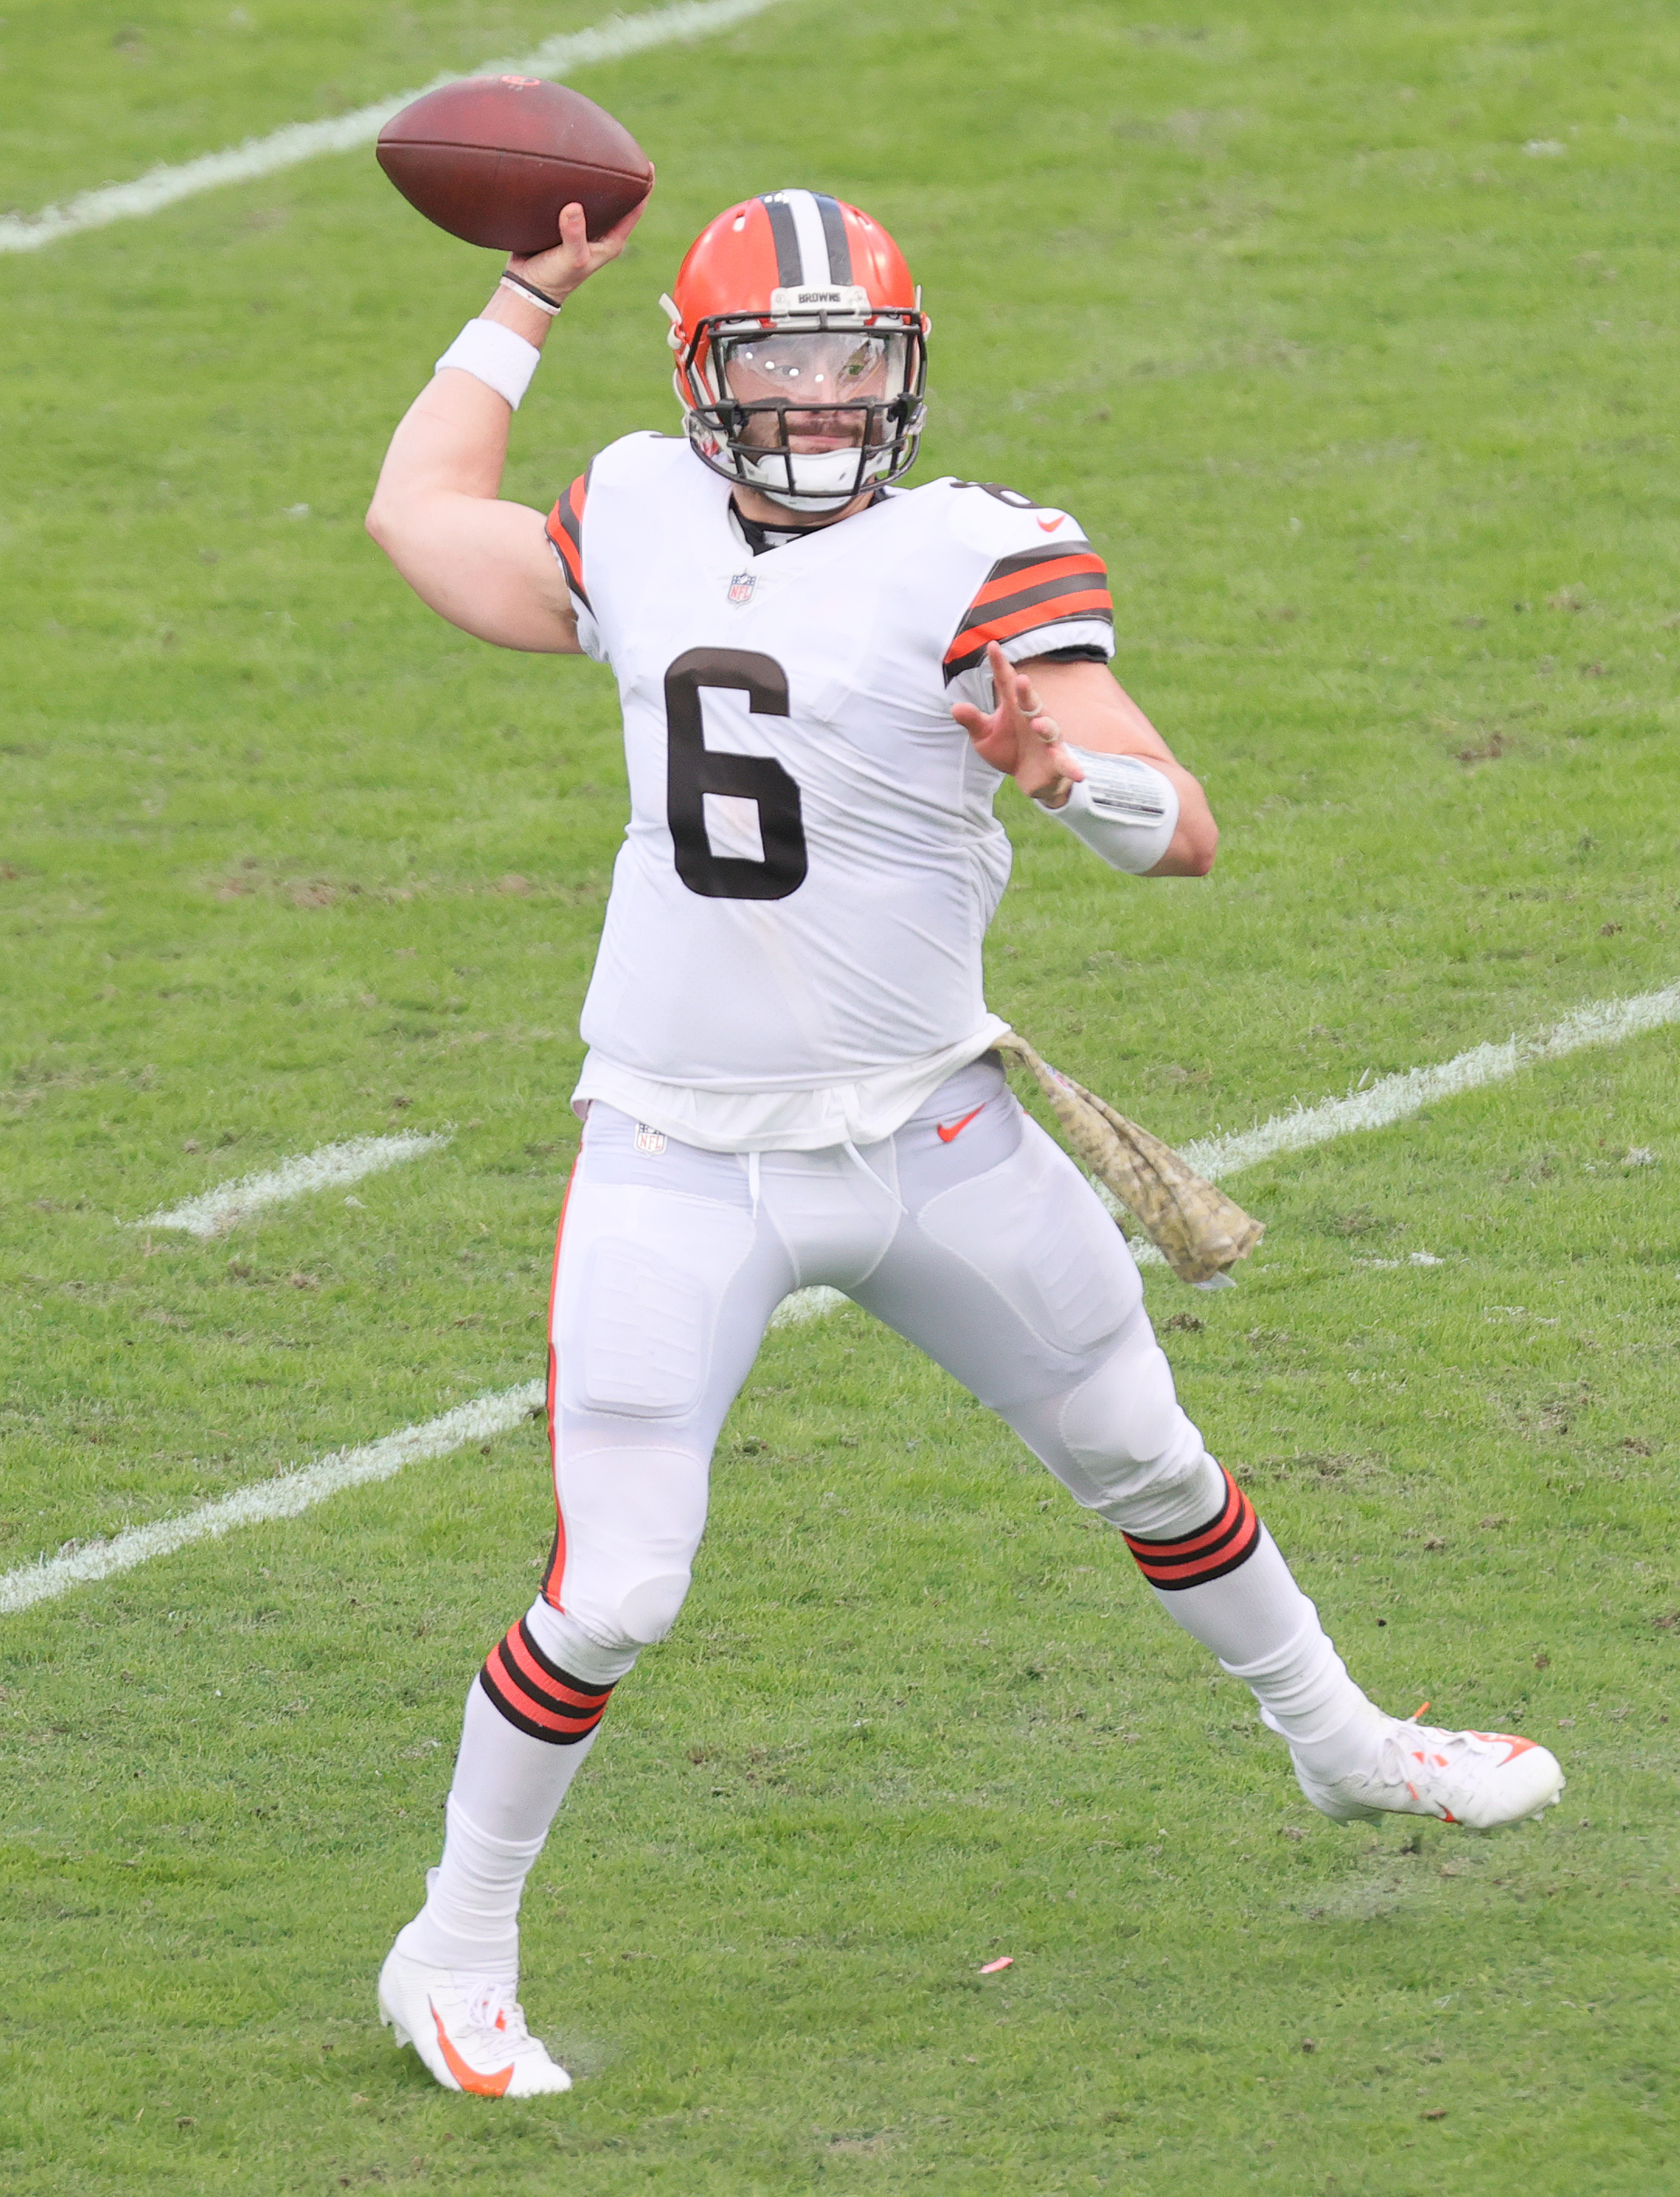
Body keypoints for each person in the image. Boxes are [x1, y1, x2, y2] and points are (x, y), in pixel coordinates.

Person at [364, 188, 1564, 2097]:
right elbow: (422, 518)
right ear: (703, 377)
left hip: (933, 1123)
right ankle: (452, 1944)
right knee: (615, 1589)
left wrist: (1054, 767)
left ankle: (1340, 1741)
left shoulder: (979, 556)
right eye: (782, 362)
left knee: (1145, 1454)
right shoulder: (642, 504)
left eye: (857, 362)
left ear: (904, 373)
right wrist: (519, 297)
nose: (823, 401)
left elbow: (1179, 825)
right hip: (678, 1150)